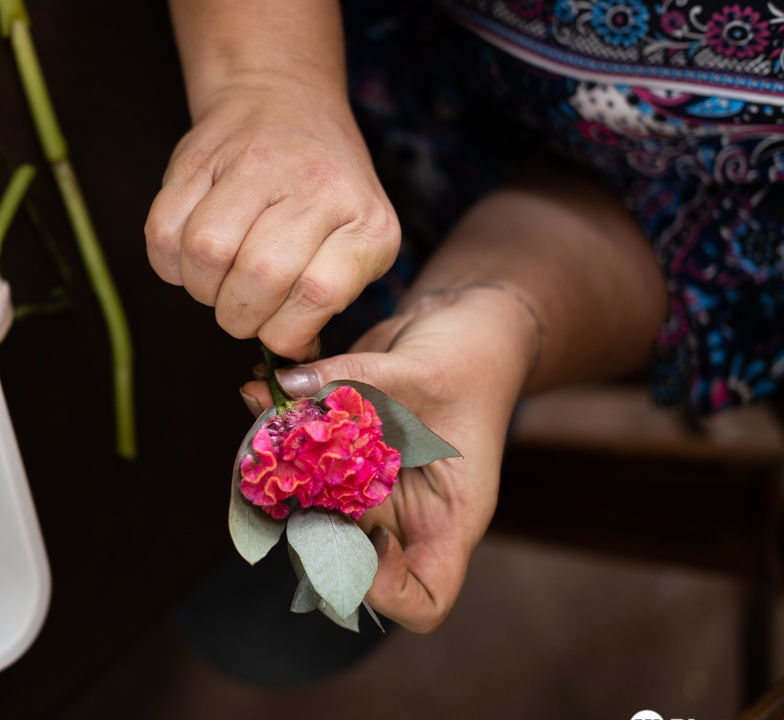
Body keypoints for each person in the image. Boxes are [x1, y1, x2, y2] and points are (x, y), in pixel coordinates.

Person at [145, 0, 784, 633]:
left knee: (252, 630)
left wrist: (488, 325)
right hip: (277, 76)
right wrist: (268, 81)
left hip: (495, 246)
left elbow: (720, 245)